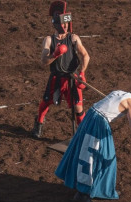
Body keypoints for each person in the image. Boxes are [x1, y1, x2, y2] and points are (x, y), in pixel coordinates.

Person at [55, 89, 131, 202]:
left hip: (91, 116)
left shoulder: (121, 92)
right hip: (99, 123)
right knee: (99, 157)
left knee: (84, 151)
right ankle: (84, 194)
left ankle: (91, 188)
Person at [32, 1, 90, 139]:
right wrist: (55, 54)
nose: (64, 26)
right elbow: (43, 61)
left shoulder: (73, 38)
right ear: (56, 23)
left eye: (66, 23)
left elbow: (86, 56)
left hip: (72, 78)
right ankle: (39, 123)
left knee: (78, 107)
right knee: (46, 102)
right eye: (62, 23)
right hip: (56, 78)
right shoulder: (49, 40)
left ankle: (81, 134)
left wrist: (82, 73)